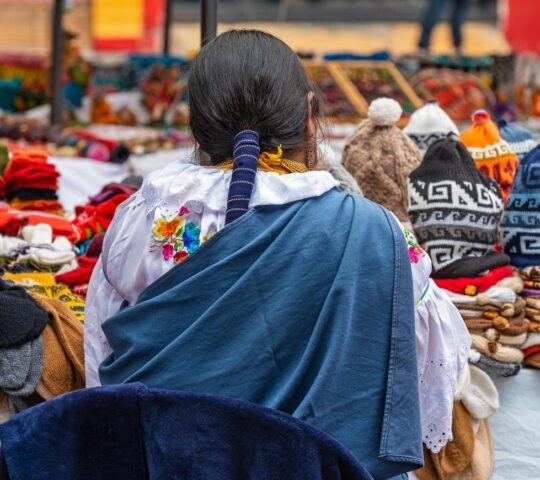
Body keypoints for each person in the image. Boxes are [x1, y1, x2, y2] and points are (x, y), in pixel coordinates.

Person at [84, 30, 469, 479]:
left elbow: (100, 361)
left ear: (197, 126)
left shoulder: (143, 218)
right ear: (309, 117)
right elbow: (429, 377)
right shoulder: (376, 233)